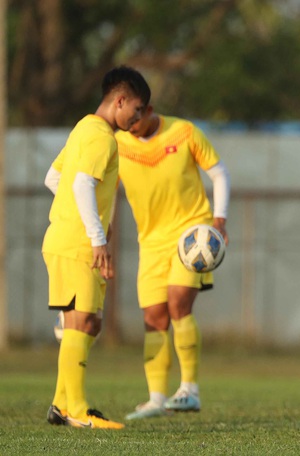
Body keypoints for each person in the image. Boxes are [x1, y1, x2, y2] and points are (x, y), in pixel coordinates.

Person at [43, 65, 151, 429]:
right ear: (120, 100)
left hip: (67, 238)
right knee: (83, 320)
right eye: (136, 109)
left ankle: (61, 404)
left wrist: (78, 219)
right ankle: (76, 408)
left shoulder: (83, 129)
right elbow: (81, 185)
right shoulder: (101, 137)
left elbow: (54, 177)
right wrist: (97, 237)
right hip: (77, 244)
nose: (138, 118)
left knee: (88, 324)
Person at [113, 105, 230, 420]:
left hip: (191, 234)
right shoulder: (118, 144)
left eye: (136, 119)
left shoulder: (184, 131)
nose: (132, 126)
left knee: (179, 304)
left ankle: (189, 390)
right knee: (153, 319)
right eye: (126, 123)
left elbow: (218, 173)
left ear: (148, 109)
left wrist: (219, 218)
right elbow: (106, 190)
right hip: (150, 242)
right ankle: (155, 398)